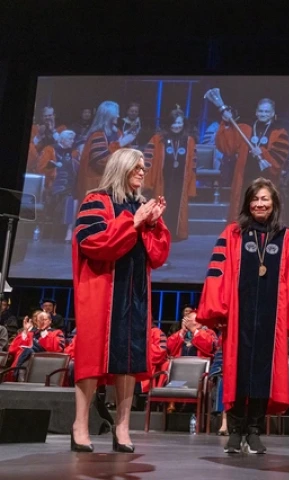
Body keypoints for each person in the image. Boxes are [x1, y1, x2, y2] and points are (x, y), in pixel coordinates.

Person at [190, 177, 289, 455]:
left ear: (274, 203)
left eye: (265, 198)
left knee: (263, 374)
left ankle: (254, 430)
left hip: (271, 319)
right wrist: (218, 310)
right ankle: (236, 429)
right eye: (255, 199)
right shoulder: (234, 234)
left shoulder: (287, 238)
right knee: (236, 372)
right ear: (247, 203)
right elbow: (217, 273)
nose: (259, 204)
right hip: (238, 317)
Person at [71, 148, 170, 453]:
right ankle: (80, 425)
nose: (143, 171)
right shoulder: (96, 201)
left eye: (144, 167)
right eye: (137, 167)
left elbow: (157, 255)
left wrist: (152, 223)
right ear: (122, 168)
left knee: (129, 359)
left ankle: (123, 426)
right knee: (91, 357)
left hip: (135, 292)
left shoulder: (139, 204)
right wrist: (134, 222)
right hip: (103, 291)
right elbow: (93, 242)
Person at [211, 97, 289, 222]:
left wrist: (263, 153)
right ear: (256, 112)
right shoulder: (245, 128)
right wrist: (226, 123)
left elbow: (279, 158)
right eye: (261, 111)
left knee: (264, 210)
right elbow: (227, 147)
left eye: (267, 112)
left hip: (266, 179)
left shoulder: (279, 132)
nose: (263, 114)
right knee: (244, 209)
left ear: (272, 113)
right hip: (245, 177)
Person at [143, 106, 197, 241]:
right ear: (169, 123)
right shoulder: (158, 139)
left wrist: (190, 184)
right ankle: (159, 232)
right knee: (161, 204)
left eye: (180, 123)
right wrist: (148, 182)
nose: (177, 126)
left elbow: (192, 165)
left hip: (180, 181)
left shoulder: (189, 141)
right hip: (162, 180)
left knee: (176, 206)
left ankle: (175, 233)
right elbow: (148, 160)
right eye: (174, 123)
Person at [76, 101, 136, 199]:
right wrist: (121, 143)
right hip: (98, 188)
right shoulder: (97, 135)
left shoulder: (117, 132)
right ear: (108, 115)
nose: (118, 115)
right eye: (116, 113)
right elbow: (101, 162)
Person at [37, 130, 80, 243]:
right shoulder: (49, 149)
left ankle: (67, 231)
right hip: (52, 185)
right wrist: (52, 167)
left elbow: (77, 169)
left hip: (70, 186)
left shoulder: (74, 152)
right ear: (63, 140)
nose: (72, 141)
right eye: (70, 139)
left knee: (72, 198)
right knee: (65, 199)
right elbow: (41, 168)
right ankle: (58, 234)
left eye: (73, 139)